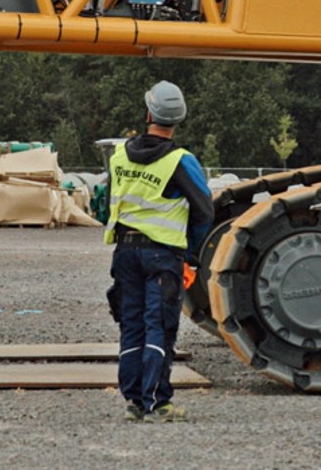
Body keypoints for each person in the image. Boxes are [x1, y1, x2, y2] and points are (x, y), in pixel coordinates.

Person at [104, 80, 212, 423]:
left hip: (124, 253)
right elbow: (204, 212)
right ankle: (157, 403)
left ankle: (133, 401)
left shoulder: (120, 155)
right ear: (177, 120)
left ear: (149, 113)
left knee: (131, 325)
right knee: (160, 326)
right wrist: (191, 254)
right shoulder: (181, 161)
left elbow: (109, 200)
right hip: (162, 256)